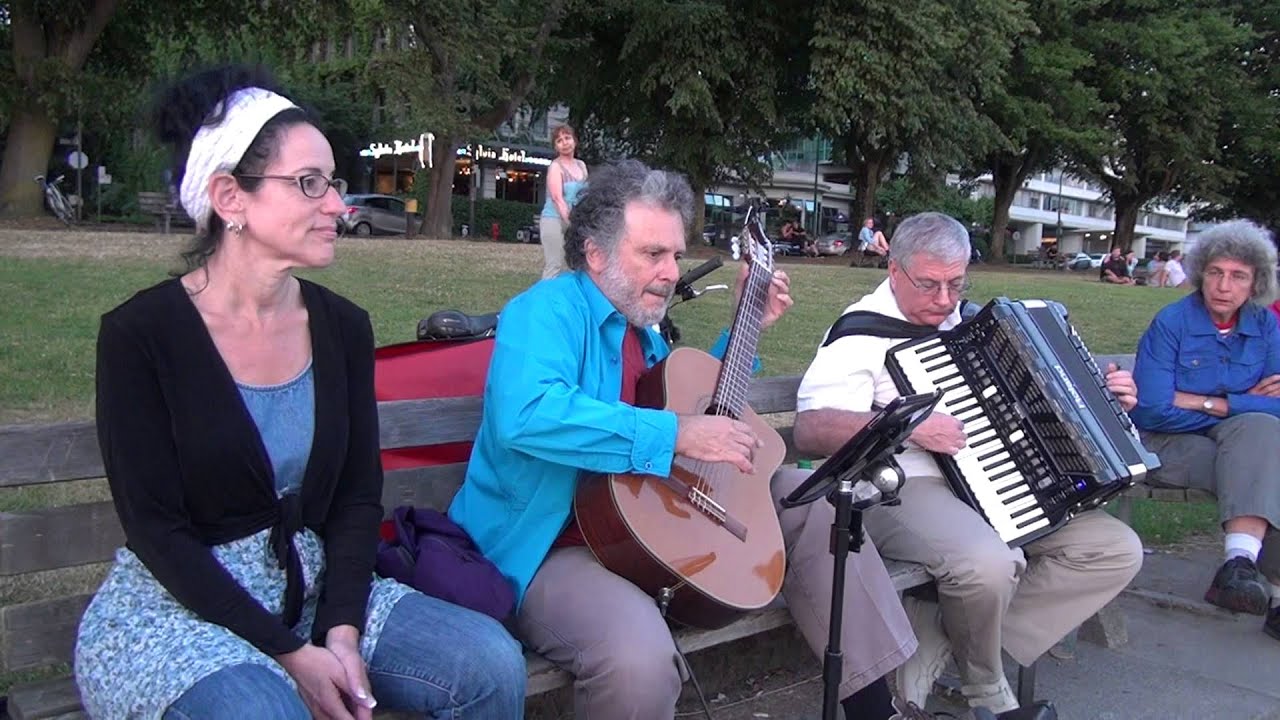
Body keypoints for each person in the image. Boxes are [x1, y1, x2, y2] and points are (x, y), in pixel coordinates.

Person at [74, 65, 526, 720]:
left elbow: (353, 497)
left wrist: (340, 631)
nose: (338, 206)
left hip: (317, 593)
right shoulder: (141, 336)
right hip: (181, 612)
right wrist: (289, 655)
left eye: (334, 184)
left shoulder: (342, 327)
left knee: (489, 665)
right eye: (309, 184)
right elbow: (156, 531)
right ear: (231, 198)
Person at [450, 160, 930, 720]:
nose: (672, 271)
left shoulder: (642, 330)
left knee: (817, 506)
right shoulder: (545, 312)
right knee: (637, 656)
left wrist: (746, 325)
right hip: (551, 545)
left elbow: (697, 405)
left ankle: (876, 708)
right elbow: (528, 414)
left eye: (676, 254)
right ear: (596, 253)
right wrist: (677, 433)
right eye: (652, 254)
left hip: (651, 519)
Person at [793, 212, 1144, 716]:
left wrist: (1103, 402)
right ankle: (985, 685)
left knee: (1113, 549)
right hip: (906, 485)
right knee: (989, 564)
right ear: (894, 270)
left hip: (1004, 480)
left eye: (955, 284)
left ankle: (940, 634)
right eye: (930, 284)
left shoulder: (980, 325)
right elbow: (811, 430)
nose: (943, 300)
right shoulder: (858, 335)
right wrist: (905, 426)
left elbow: (1045, 403)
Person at [1130, 220, 1280, 640]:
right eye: (1215, 272)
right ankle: (1273, 593)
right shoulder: (1172, 322)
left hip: (1242, 439)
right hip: (1166, 444)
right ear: (1200, 273)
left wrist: (1207, 401)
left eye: (1238, 276)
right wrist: (1241, 404)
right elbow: (1153, 410)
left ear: (1256, 283)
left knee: (1262, 440)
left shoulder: (1264, 325)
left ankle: (1239, 567)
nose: (1224, 286)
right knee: (1263, 461)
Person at [540, 123, 589, 279]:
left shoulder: (581, 165)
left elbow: (584, 195)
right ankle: (543, 301)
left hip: (574, 219)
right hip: (553, 219)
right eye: (559, 141)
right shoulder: (555, 167)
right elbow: (557, 199)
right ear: (556, 147)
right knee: (554, 265)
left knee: (579, 264)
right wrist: (572, 224)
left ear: (574, 140)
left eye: (567, 138)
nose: (565, 143)